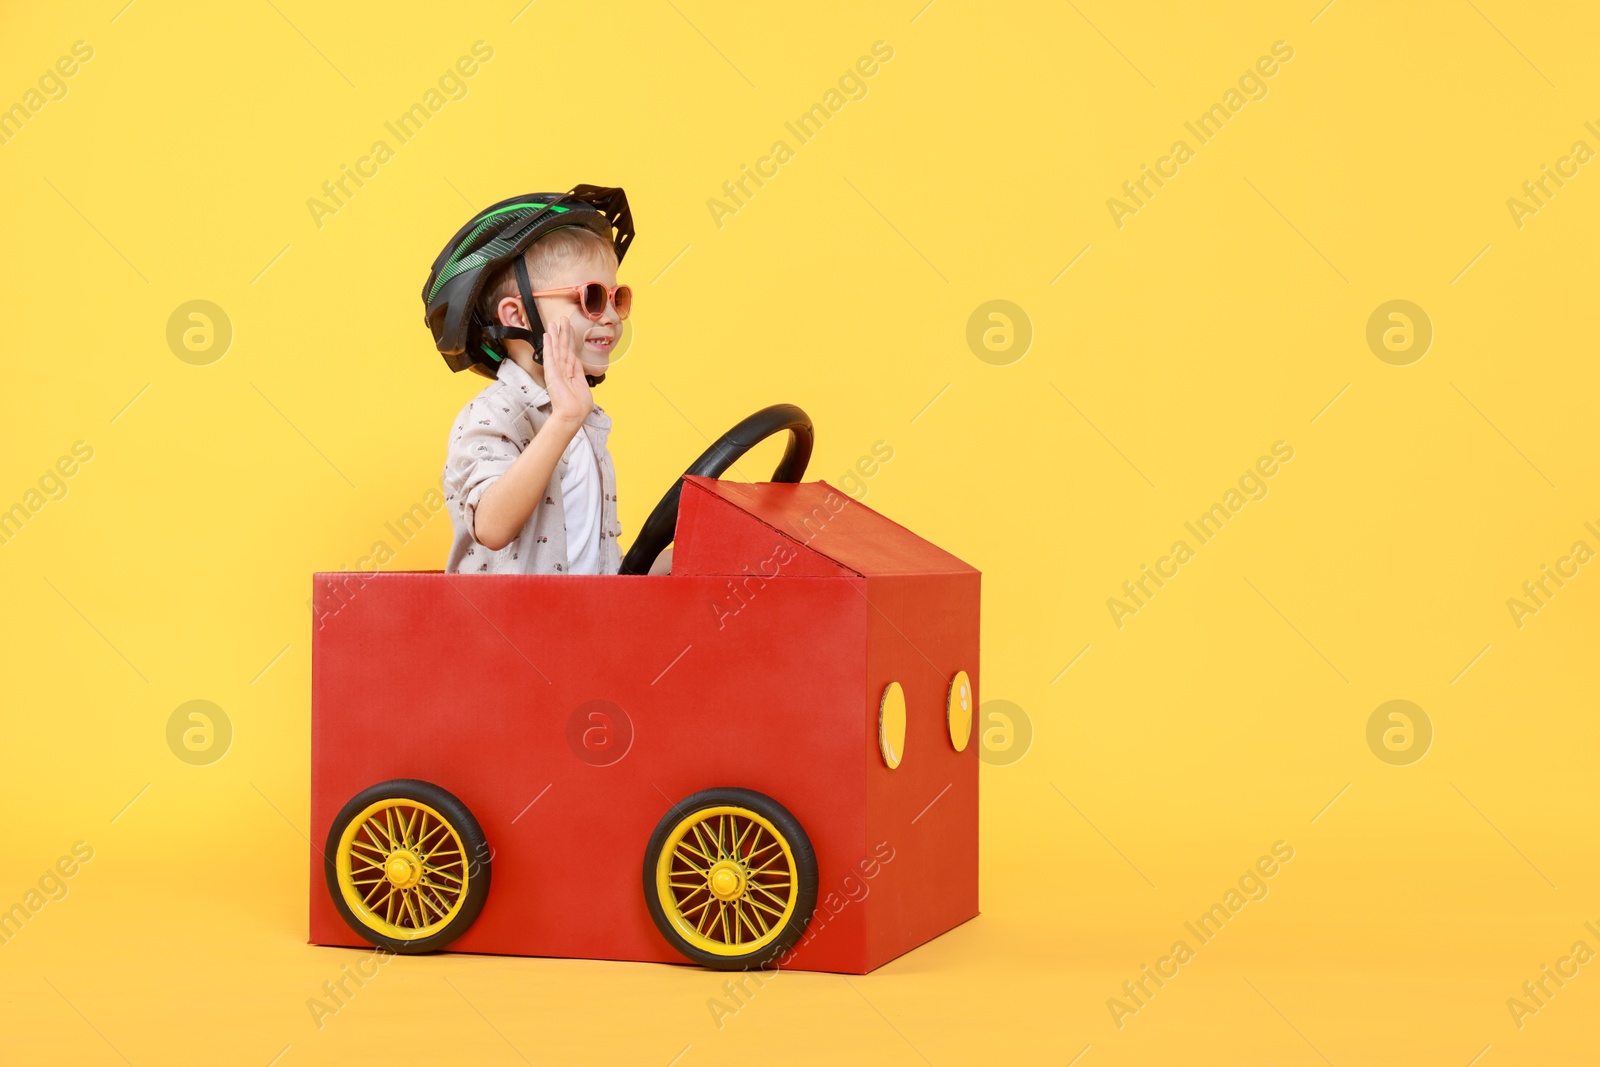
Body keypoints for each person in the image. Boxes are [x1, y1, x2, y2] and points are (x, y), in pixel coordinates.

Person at [421, 187, 645, 575]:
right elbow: (491, 527)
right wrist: (564, 420)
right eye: (590, 298)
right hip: (506, 633)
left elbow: (596, 562)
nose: (610, 316)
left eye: (616, 297)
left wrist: (684, 561)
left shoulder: (584, 424)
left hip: (576, 629)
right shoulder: (493, 414)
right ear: (519, 317)